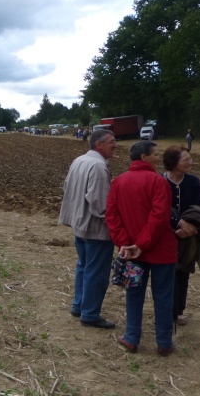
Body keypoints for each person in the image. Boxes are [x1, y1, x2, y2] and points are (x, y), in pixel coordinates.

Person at [105, 141, 177, 356]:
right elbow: (160, 217)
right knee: (163, 295)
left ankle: (131, 338)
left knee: (133, 293)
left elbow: (112, 216)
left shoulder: (119, 182)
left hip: (131, 255)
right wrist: (141, 244)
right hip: (161, 252)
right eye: (156, 154)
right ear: (144, 157)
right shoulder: (158, 182)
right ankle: (164, 343)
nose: (159, 158)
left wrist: (126, 244)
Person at [59, 129, 117, 329]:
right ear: (99, 145)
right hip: (96, 229)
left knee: (83, 266)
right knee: (97, 272)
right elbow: (99, 203)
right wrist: (115, 221)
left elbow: (67, 187)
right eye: (111, 142)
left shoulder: (79, 160)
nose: (115, 145)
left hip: (79, 224)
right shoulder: (99, 166)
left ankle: (79, 305)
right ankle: (90, 314)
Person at [163, 145, 200, 325]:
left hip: (188, 236)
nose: (190, 162)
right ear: (173, 163)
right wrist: (175, 228)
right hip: (166, 234)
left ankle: (179, 310)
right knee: (167, 273)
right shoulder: (160, 181)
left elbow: (199, 208)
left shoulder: (194, 181)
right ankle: (167, 310)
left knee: (184, 272)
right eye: (185, 160)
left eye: (190, 159)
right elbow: (160, 209)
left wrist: (191, 226)